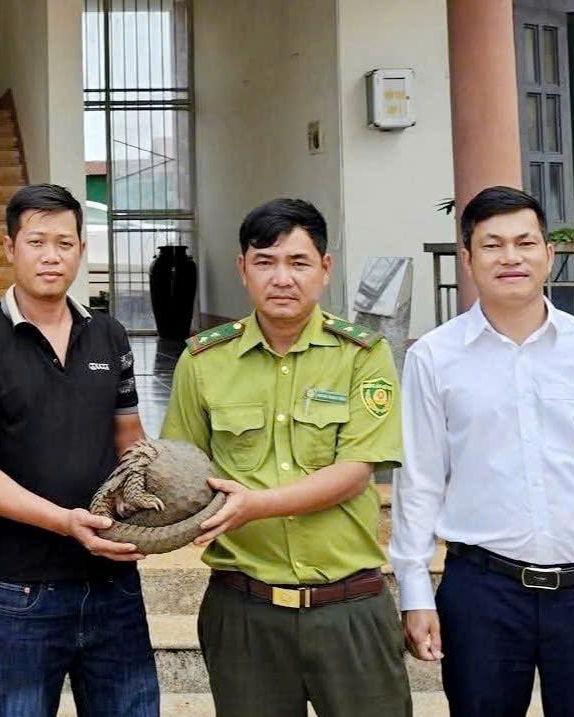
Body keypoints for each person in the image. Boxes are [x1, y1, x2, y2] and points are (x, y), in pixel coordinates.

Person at [392, 185, 574, 716]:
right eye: (492, 245)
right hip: (481, 593)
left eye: (525, 243)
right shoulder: (434, 357)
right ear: (468, 259)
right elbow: (421, 481)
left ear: (548, 253)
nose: (510, 257)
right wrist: (414, 590)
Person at [161, 198, 410, 717]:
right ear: (242, 270)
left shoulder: (363, 355)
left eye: (298, 263)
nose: (282, 278)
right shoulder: (202, 361)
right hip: (244, 610)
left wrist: (254, 505)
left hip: (349, 609)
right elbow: (182, 471)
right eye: (265, 261)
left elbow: (355, 471)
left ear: (325, 269)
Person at [0, 184, 160, 717]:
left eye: (65, 243)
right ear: (10, 247)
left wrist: (159, 502)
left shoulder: (109, 336)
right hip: (24, 590)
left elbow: (130, 441)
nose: (52, 256)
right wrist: (62, 522)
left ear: (82, 250)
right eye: (36, 241)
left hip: (114, 584)